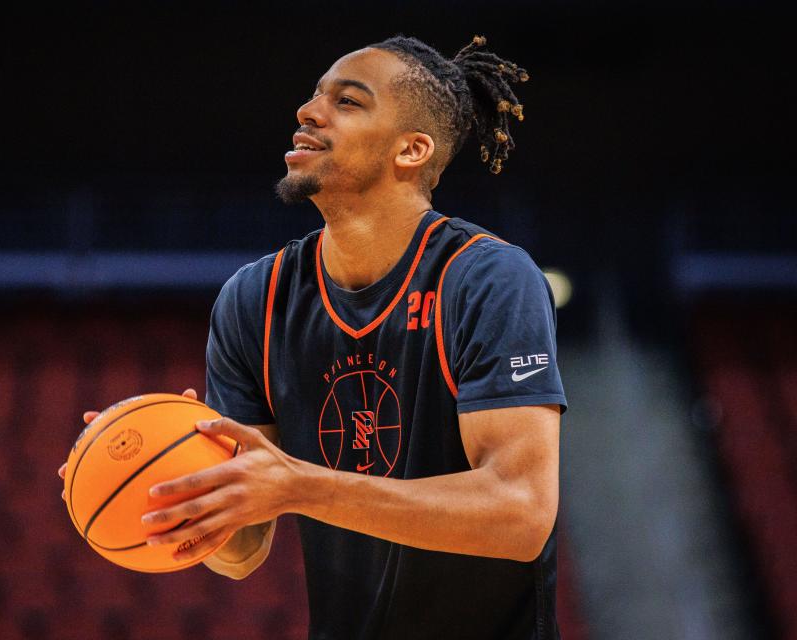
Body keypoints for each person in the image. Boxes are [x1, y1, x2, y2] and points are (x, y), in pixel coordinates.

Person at [60, 33, 566, 639]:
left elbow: (521, 513)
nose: (307, 110)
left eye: (348, 101)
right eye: (314, 96)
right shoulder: (256, 298)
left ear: (411, 150)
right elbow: (241, 551)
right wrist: (177, 486)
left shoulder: (488, 278)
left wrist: (302, 487)